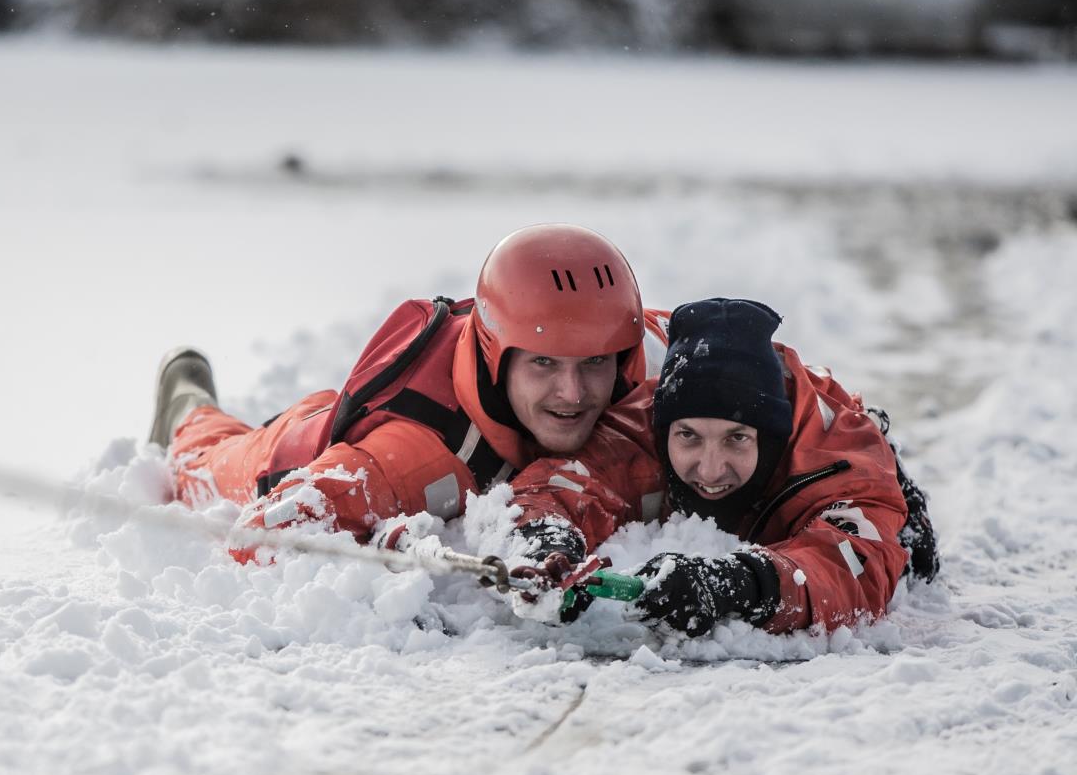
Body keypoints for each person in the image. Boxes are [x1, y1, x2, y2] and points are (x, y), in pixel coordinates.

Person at [147, 223, 671, 556]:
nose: (574, 392)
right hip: (287, 457)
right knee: (199, 457)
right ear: (496, 355)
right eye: (544, 364)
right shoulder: (409, 460)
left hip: (358, 426)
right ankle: (186, 400)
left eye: (595, 363)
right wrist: (382, 551)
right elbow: (258, 537)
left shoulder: (628, 373)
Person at [509, 297, 939, 636]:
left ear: (769, 437)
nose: (711, 470)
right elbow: (554, 489)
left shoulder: (836, 455)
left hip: (848, 479)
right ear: (663, 431)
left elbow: (856, 567)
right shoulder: (640, 428)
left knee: (916, 562)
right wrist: (549, 548)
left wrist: (738, 585)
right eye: (689, 437)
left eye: (736, 438)